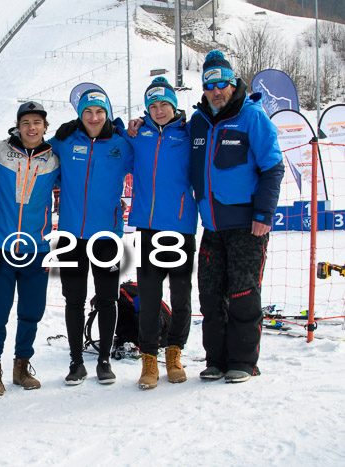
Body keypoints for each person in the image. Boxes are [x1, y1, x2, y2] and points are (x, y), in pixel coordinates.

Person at [190, 50, 284, 383]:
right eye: (209, 85)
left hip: (247, 226)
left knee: (243, 293)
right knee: (211, 294)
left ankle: (243, 362)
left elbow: (273, 167)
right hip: (212, 225)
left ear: (233, 83)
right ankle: (215, 359)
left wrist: (264, 214)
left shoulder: (252, 117)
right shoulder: (198, 121)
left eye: (222, 84)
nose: (216, 91)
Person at [49, 87, 133, 385]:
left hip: (107, 236)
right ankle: (75, 362)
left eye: (99, 112)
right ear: (79, 115)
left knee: (107, 299)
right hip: (71, 235)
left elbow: (149, 158)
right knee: (74, 300)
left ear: (107, 113)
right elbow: (32, 150)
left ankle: (104, 360)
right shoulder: (66, 141)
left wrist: (130, 128)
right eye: (87, 112)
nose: (94, 117)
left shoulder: (122, 145)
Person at [0, 101, 59, 396]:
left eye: (37, 122)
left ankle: (22, 364)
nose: (31, 128)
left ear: (44, 127)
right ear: (18, 126)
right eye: (26, 122)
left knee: (32, 312)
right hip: (1, 247)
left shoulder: (54, 158)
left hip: (36, 248)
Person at [122, 77, 198, 389]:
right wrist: (128, 125)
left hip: (180, 226)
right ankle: (149, 358)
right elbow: (111, 140)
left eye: (163, 104)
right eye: (152, 106)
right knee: (150, 298)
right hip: (148, 227)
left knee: (181, 297)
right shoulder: (139, 135)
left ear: (173, 105)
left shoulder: (190, 132)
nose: (158, 110)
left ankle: (174, 353)